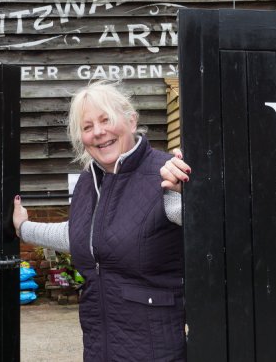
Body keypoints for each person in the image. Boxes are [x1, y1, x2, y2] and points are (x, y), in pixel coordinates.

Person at [12, 80, 192, 361]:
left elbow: (213, 234)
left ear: (131, 121)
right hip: (100, 346)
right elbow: (82, 236)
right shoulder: (88, 182)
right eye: (87, 127)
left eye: (106, 119)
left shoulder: (168, 174)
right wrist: (23, 227)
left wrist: (188, 195)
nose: (98, 132)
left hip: (157, 350)